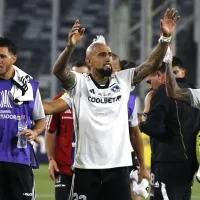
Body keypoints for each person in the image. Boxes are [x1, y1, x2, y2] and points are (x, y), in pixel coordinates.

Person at [52, 9, 179, 200]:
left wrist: (165, 38)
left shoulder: (124, 79)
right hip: (86, 169)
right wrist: (69, 47)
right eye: (102, 54)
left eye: (109, 54)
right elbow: (59, 72)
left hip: (118, 169)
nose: (108, 58)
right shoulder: (80, 82)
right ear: (89, 60)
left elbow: (152, 64)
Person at [139, 61, 200, 200]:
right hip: (189, 162)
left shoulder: (161, 92)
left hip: (168, 162)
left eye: (150, 81)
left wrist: (143, 118)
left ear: (160, 75)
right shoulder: (193, 90)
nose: (150, 86)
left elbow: (155, 128)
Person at [0, 37, 46, 200]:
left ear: (13, 59)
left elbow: (41, 119)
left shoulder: (30, 86)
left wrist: (34, 133)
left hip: (18, 159)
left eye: (2, 56)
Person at [45, 61, 89, 200]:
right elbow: (50, 131)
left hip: (89, 169)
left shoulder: (96, 101)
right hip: (63, 168)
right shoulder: (59, 101)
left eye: (83, 75)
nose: (80, 78)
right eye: (76, 75)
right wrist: (51, 159)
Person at [112, 54, 149, 200]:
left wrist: (142, 165)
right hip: (108, 157)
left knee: (132, 191)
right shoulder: (126, 96)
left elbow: (134, 132)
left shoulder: (130, 98)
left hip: (124, 155)